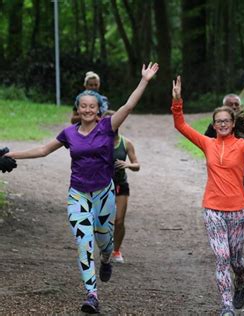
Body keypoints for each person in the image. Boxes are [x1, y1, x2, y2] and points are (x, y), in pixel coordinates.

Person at [5, 63, 159, 314]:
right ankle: (92, 294)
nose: (87, 110)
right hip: (78, 194)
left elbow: (128, 106)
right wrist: (10, 154)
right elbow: (43, 150)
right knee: (83, 241)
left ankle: (107, 258)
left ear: (99, 110)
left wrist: (144, 81)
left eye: (92, 106)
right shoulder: (69, 133)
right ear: (78, 109)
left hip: (104, 193)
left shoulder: (107, 127)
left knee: (104, 241)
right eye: (83, 106)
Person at [171, 76, 244, 316]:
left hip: (238, 209)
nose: (222, 124)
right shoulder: (207, 143)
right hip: (212, 208)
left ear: (232, 122)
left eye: (226, 121)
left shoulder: (242, 145)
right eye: (218, 121)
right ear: (214, 124)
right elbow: (181, 126)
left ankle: (241, 281)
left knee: (236, 261)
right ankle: (226, 306)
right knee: (222, 259)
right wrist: (177, 101)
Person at [204, 94, 244, 199]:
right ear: (223, 107)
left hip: (241, 174)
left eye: (236, 104)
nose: (234, 107)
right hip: (219, 174)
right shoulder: (215, 126)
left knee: (241, 206)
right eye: (230, 104)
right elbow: (206, 146)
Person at [102, 110, 141, 264]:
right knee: (101, 221)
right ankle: (103, 247)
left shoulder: (126, 143)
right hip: (101, 185)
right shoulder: (97, 142)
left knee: (119, 220)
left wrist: (127, 164)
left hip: (120, 185)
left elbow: (137, 165)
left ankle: (116, 250)